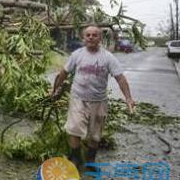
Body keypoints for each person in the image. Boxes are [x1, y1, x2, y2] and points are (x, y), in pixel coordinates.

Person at [51, 25, 135, 170]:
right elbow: (63, 73)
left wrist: (128, 98)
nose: (91, 37)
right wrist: (55, 89)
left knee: (95, 135)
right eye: (88, 35)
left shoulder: (108, 57)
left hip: (98, 101)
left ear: (100, 38)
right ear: (84, 38)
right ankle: (76, 159)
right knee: (74, 128)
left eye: (94, 35)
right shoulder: (77, 54)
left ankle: (90, 160)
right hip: (78, 98)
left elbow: (120, 78)